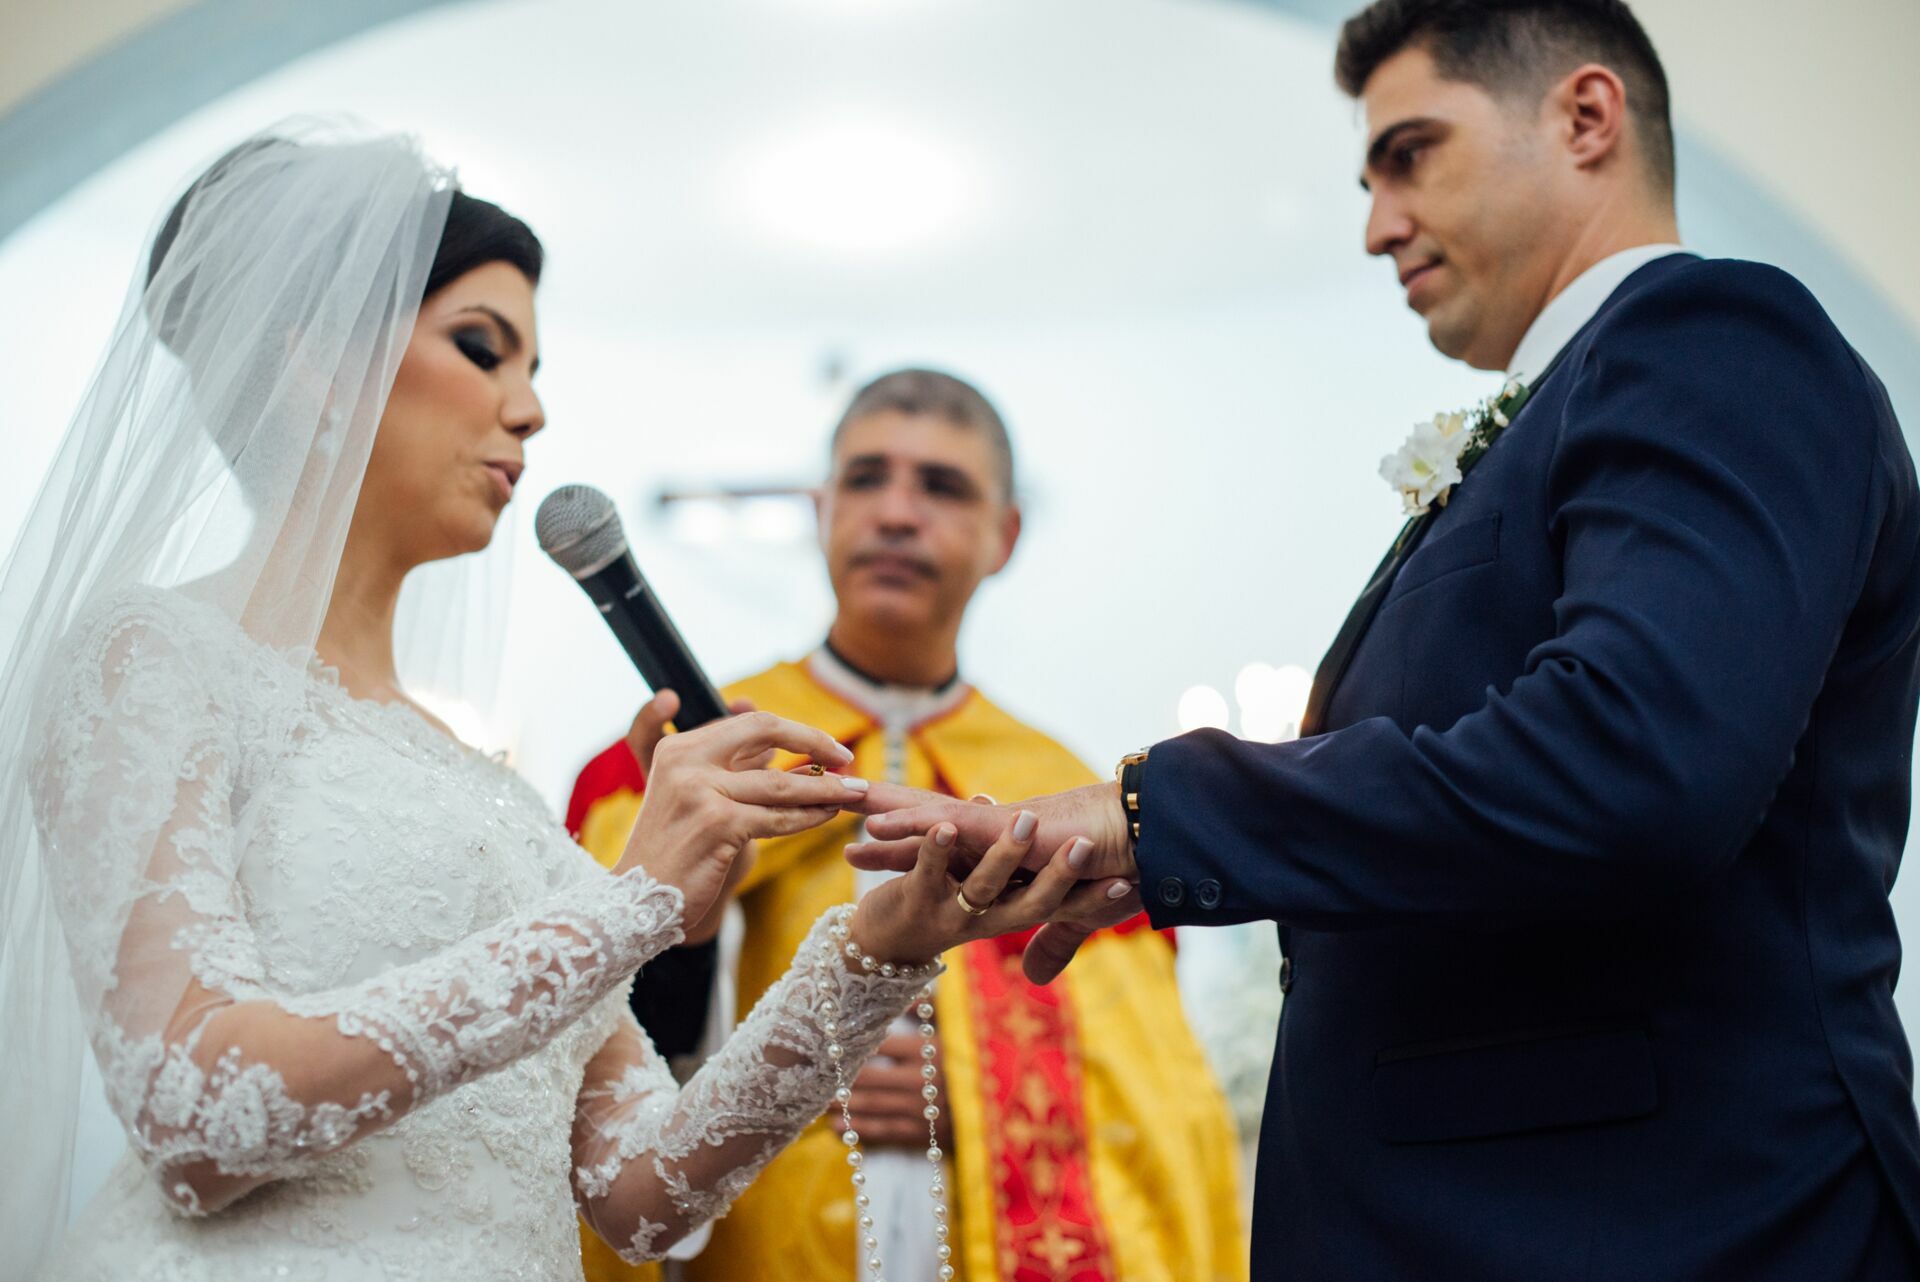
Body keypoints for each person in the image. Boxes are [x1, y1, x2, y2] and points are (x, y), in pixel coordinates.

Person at [855, 3, 1920, 1279]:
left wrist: (1157, 813)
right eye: (1368, 179)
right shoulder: (1570, 406)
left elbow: (1632, 759)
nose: (1375, 227)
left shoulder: (1715, 340)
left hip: (1659, 1225)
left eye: (1411, 154)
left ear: (1586, 118)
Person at [0, 128, 1119, 1282]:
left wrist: (875, 952)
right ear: (317, 364)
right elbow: (194, 1112)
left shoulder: (480, 782)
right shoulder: (156, 655)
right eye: (483, 349)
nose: (528, 412)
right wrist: (628, 904)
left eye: (533, 373)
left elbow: (646, 1198)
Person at [569, 369, 1245, 1282]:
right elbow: (589, 1055)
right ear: (820, 510)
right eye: (866, 478)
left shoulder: (1061, 789)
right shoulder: (689, 759)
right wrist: (698, 943)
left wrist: (969, 1095)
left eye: (941, 486)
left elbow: (1159, 1100)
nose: (896, 512)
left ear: (1003, 534)